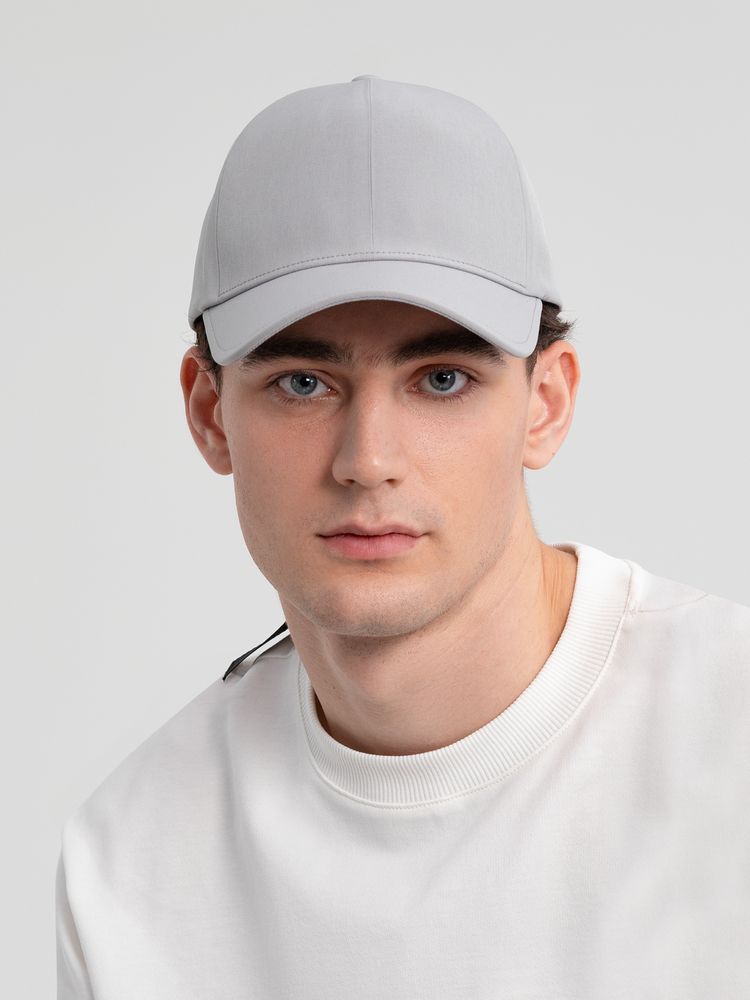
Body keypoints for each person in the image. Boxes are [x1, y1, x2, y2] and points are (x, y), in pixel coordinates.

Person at [56, 75, 750, 999]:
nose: (367, 460)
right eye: (304, 383)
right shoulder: (131, 865)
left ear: (546, 405)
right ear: (209, 412)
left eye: (442, 379)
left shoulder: (728, 738)